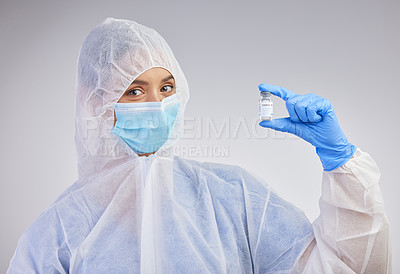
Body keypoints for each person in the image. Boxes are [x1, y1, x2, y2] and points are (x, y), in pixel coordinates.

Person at [7, 18, 391, 273]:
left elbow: (333, 268)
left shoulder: (231, 197)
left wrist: (341, 166)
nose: (157, 105)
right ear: (95, 103)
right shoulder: (56, 236)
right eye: (135, 90)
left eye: (167, 88)